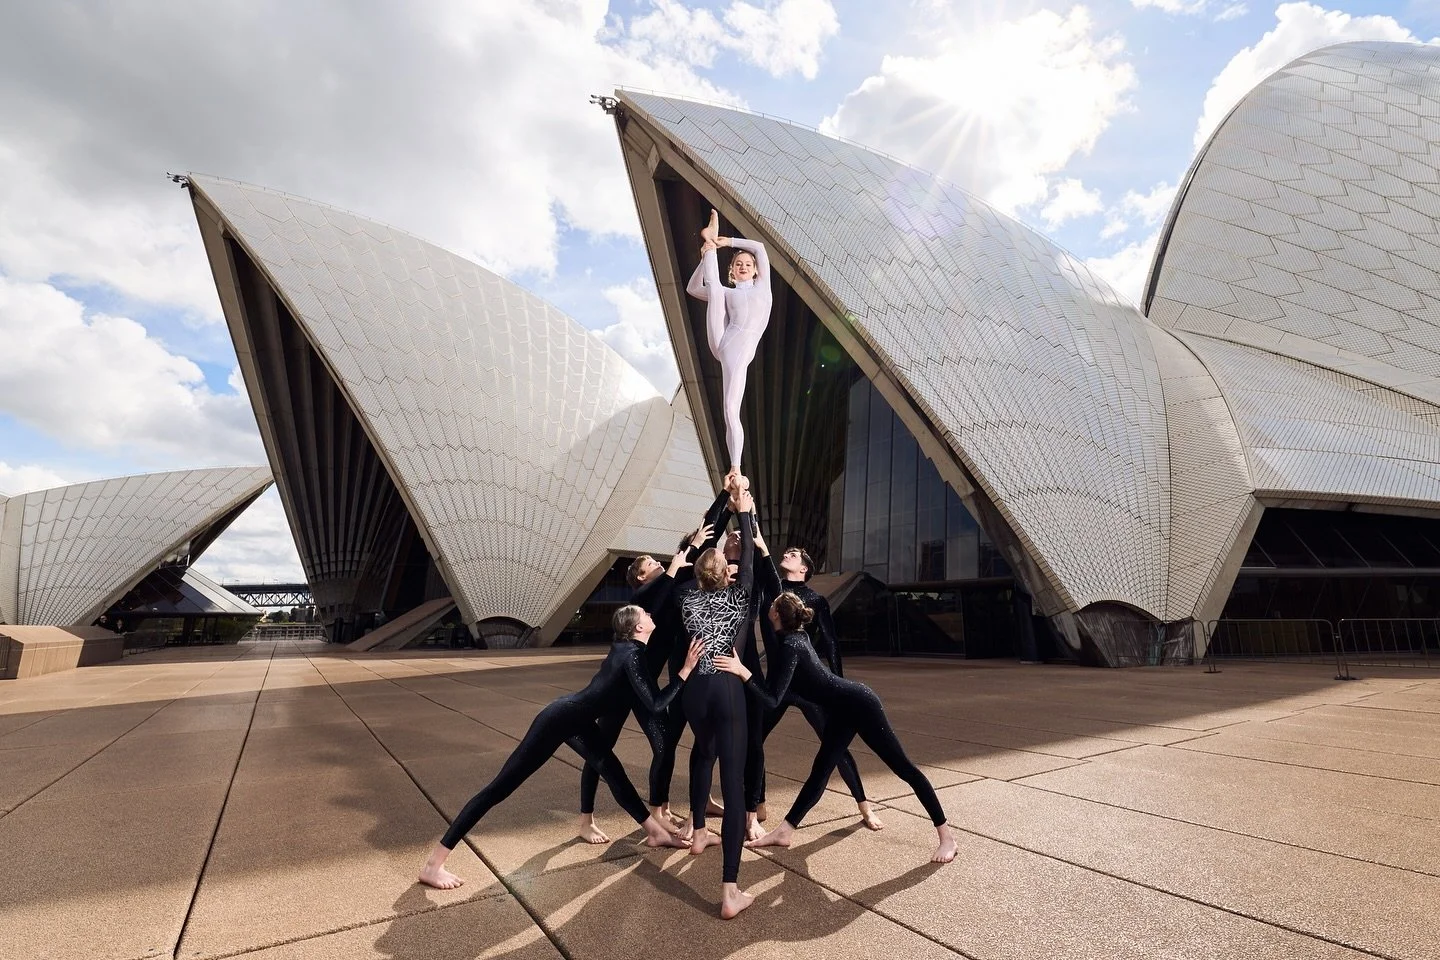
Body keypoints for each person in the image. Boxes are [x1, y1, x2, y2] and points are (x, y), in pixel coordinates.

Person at [418, 608, 703, 890]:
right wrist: (686, 670)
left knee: (614, 772)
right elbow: (655, 704)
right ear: (638, 628)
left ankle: (654, 832)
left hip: (575, 719)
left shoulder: (625, 649)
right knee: (499, 789)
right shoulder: (631, 655)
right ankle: (433, 865)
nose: (650, 614)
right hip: (558, 720)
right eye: (644, 613)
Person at [715, 593, 958, 865]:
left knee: (904, 769)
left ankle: (947, 838)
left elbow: (772, 698)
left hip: (861, 704)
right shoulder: (796, 637)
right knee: (821, 770)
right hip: (843, 708)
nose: (767, 608)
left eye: (771, 606)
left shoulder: (791, 645)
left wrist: (741, 670)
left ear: (776, 615)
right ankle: (785, 831)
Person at [576, 524, 711, 842]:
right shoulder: (640, 597)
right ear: (639, 576)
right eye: (651, 563)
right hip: (618, 690)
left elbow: (675, 581)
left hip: (645, 686)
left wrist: (693, 544)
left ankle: (658, 812)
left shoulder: (664, 592)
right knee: (600, 751)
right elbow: (660, 587)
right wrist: (681, 557)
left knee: (664, 746)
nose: (659, 564)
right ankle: (586, 821)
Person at [753, 546, 882, 831]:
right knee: (754, 740)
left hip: (810, 686)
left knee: (835, 746)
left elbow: (831, 643)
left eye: (795, 554)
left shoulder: (816, 599)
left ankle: (864, 805)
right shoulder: (770, 589)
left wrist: (839, 687)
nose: (788, 553)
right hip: (777, 683)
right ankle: (759, 803)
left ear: (804, 570)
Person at [678, 478, 757, 919]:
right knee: (734, 785)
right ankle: (730, 890)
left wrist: (721, 509)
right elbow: (746, 554)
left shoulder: (686, 600)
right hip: (727, 686)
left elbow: (695, 556)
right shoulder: (739, 596)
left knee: (701, 752)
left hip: (694, 691)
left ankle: (697, 832)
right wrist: (740, 507)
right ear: (725, 574)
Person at [686, 208, 772, 482]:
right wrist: (705, 257)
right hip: (723, 339)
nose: (743, 266)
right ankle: (707, 245)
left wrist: (727, 242)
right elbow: (692, 288)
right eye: (737, 265)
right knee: (714, 290)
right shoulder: (728, 292)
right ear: (733, 272)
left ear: (756, 270)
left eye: (747, 264)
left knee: (730, 409)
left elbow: (758, 247)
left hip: (736, 353)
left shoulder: (763, 289)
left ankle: (735, 464)